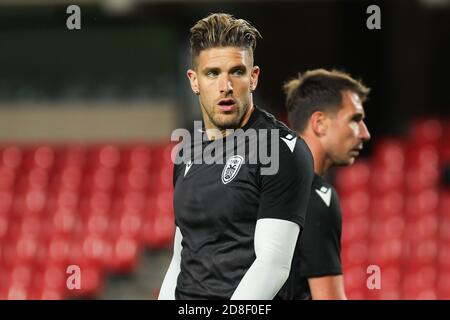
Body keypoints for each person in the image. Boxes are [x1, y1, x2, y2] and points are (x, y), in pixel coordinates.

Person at [158, 13, 314, 300]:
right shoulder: (187, 153)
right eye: (213, 73)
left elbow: (273, 265)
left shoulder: (281, 150)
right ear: (194, 81)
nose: (225, 86)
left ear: (253, 77)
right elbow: (181, 259)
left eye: (237, 72)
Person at [276, 69, 371, 300]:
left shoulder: (262, 183)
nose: (364, 133)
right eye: (355, 120)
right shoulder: (317, 196)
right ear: (319, 123)